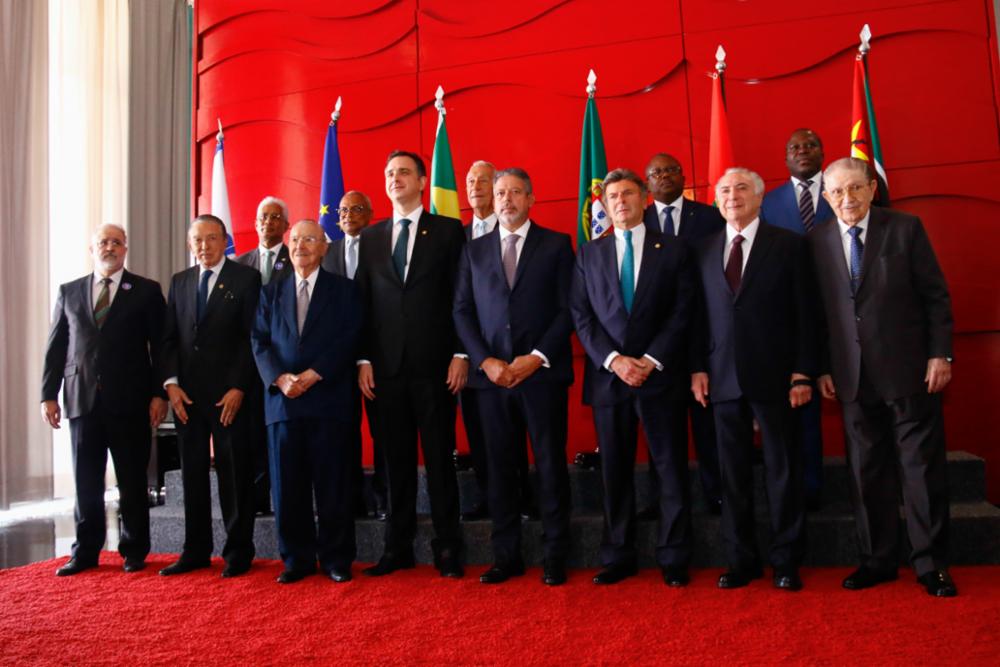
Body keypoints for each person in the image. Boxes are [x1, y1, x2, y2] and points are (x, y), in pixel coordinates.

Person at [809, 157, 957, 597]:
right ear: (826, 197)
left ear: (872, 188)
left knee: (920, 468)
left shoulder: (905, 228)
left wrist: (940, 354)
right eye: (836, 192)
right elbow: (816, 314)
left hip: (910, 370)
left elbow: (936, 297)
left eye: (854, 188)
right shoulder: (815, 241)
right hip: (850, 376)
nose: (846, 199)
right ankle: (877, 559)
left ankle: (930, 563)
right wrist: (819, 367)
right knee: (865, 469)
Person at [690, 167, 816, 591]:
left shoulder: (789, 246)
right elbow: (697, 318)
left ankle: (786, 561)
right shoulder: (704, 249)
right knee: (732, 476)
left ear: (761, 197)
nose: (732, 196)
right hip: (722, 380)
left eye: (742, 189)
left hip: (777, 377)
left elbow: (807, 313)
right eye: (724, 190)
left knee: (783, 471)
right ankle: (740, 561)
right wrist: (697, 368)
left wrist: (802, 371)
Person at [570, 168, 697, 586]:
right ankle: (617, 554)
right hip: (609, 380)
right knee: (615, 471)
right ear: (603, 205)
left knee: (670, 468)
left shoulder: (674, 249)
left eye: (628, 194)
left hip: (660, 377)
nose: (620, 202)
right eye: (612, 196)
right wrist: (614, 361)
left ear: (644, 198)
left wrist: (649, 359)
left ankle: (674, 555)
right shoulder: (589, 254)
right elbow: (582, 316)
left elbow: (684, 311)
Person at [454, 167, 574, 586]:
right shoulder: (474, 249)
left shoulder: (557, 245)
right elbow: (462, 311)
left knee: (549, 466)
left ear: (531, 198)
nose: (506, 199)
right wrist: (485, 360)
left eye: (515, 192)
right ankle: (507, 555)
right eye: (500, 192)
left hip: (540, 376)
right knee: (500, 468)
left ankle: (556, 554)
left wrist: (536, 357)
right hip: (491, 380)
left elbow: (568, 310)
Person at [356, 150, 468, 578]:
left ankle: (447, 548)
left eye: (403, 172)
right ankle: (396, 548)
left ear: (423, 181)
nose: (395, 178)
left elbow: (461, 296)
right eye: (389, 173)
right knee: (394, 463)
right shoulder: (370, 237)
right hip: (385, 371)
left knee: (440, 461)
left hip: (437, 367)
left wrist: (461, 353)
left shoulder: (447, 231)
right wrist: (363, 358)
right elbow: (364, 303)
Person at [41, 224, 167, 576]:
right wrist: (47, 395)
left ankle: (134, 550)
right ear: (91, 249)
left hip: (131, 402)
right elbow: (56, 348)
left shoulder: (146, 291)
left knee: (131, 480)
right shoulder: (69, 292)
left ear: (126, 248)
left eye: (116, 242)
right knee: (86, 481)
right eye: (103, 242)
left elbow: (161, 348)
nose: (109, 247)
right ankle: (85, 551)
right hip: (82, 402)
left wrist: (159, 394)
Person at [252, 219, 362, 583]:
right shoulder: (271, 292)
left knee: (333, 484)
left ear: (324, 247)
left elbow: (351, 337)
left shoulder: (345, 291)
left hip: (329, 400)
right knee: (287, 487)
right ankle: (296, 560)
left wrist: (316, 374)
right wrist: (280, 378)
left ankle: (336, 559)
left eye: (309, 239)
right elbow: (260, 342)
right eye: (295, 239)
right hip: (283, 404)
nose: (301, 245)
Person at [159, 215, 261, 578]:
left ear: (225, 241)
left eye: (212, 239)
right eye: (198, 240)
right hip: (187, 398)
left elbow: (254, 338)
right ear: (190, 244)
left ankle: (238, 552)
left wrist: (239, 387)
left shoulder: (246, 278)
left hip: (229, 397)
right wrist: (171, 385)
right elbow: (169, 339)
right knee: (193, 476)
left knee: (235, 475)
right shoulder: (180, 281)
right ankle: (195, 550)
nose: (205, 246)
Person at [640, 152, 725, 517]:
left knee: (707, 426)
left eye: (670, 170)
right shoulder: (635, 219)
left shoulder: (709, 216)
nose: (664, 176)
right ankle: (664, 500)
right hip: (652, 345)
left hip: (701, 334)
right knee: (661, 433)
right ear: (647, 182)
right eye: (656, 172)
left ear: (683, 174)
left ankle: (716, 494)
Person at [459, 160, 535, 522]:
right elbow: (456, 303)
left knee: (520, 434)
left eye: (484, 181)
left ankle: (523, 496)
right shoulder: (455, 235)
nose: (476, 186)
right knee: (480, 431)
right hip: (474, 357)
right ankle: (490, 496)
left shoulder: (524, 233)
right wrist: (468, 354)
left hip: (524, 358)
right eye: (470, 180)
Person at [761, 129, 833, 510]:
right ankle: (801, 491)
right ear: (785, 157)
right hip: (790, 320)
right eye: (794, 148)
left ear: (822, 152)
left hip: (841, 315)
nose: (802, 152)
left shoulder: (840, 191)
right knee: (796, 413)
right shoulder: (769, 203)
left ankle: (821, 489)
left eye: (809, 146)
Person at [321, 194, 388, 519]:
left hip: (378, 354)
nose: (348, 214)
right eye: (343, 210)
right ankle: (351, 499)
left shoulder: (383, 247)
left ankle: (384, 497)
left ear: (371, 214)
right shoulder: (326, 251)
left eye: (357, 209)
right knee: (341, 432)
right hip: (335, 359)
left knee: (383, 431)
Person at [235, 196, 293, 516]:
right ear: (255, 223)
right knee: (252, 434)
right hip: (249, 364)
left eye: (275, 218)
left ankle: (286, 498)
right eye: (262, 217)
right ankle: (258, 499)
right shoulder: (240, 264)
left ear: (286, 226)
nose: (267, 222)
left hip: (284, 362)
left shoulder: (297, 258)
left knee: (283, 436)